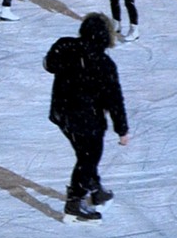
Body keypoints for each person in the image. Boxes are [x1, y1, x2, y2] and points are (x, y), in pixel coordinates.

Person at [45, 13, 130, 223]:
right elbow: (114, 100)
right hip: (86, 119)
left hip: (62, 113)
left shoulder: (65, 46)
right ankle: (74, 204)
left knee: (84, 154)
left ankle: (96, 190)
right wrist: (122, 129)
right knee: (88, 157)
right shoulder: (104, 63)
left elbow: (49, 64)